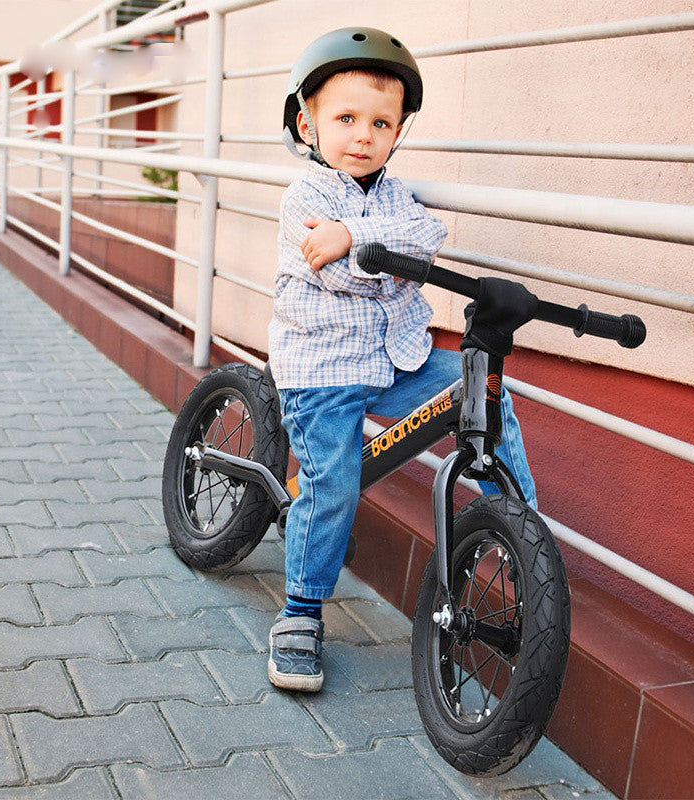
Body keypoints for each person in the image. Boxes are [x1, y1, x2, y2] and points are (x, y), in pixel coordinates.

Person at [266, 27, 537, 692]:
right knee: (332, 485)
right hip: (324, 372)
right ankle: (301, 609)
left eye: (380, 122)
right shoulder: (305, 197)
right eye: (346, 119)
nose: (363, 135)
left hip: (398, 361)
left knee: (490, 398)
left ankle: (526, 543)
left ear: (397, 132)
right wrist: (371, 251)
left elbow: (425, 238)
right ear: (309, 123)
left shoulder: (391, 198)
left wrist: (358, 235)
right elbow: (345, 275)